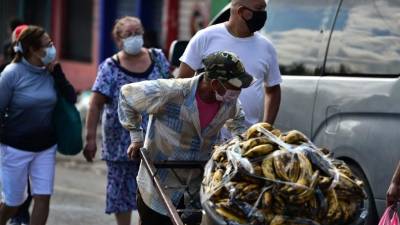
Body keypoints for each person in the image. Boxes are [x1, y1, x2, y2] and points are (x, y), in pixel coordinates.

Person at [118, 51, 251, 225]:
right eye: (235, 85)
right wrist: (136, 137)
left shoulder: (229, 102)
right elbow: (127, 95)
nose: (238, 91)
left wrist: (240, 147)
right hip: (160, 180)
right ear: (215, 83)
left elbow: (239, 121)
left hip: (197, 184)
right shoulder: (172, 91)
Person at [82, 16, 170, 225]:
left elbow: (171, 88)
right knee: (121, 192)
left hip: (155, 140)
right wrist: (90, 139)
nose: (135, 37)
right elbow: (95, 104)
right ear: (118, 39)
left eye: (137, 32)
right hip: (119, 143)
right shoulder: (110, 67)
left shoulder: (157, 58)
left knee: (151, 192)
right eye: (129, 34)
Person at [0, 25, 76, 225]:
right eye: (48, 44)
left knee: (43, 197)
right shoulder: (11, 74)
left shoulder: (50, 71)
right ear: (33, 50)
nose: (52, 48)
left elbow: (70, 98)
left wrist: (57, 73)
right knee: (14, 202)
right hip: (14, 148)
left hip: (45, 147)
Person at [178, 0, 282, 130]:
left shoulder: (267, 47)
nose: (263, 14)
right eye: (259, 9)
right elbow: (182, 84)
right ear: (242, 12)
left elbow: (273, 89)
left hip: (245, 138)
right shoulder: (205, 37)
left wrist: (267, 127)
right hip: (204, 137)